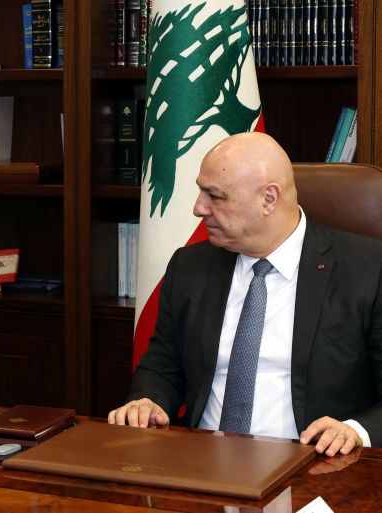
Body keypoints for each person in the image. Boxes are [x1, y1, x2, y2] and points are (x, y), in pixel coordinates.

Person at [108, 132, 382, 457]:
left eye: (215, 196)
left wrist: (355, 431)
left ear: (269, 199)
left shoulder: (367, 269)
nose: (199, 208)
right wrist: (148, 400)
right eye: (201, 191)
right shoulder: (190, 266)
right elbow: (162, 365)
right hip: (202, 464)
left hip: (315, 467)